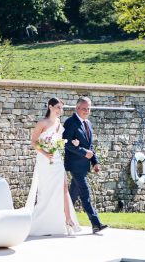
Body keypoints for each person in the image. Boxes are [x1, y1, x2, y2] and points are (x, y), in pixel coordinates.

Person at [25, 98, 80, 236]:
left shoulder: (57, 122)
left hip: (57, 158)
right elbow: (34, 142)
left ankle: (68, 219)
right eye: (58, 107)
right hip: (45, 160)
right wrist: (45, 152)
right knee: (46, 191)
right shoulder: (42, 123)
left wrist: (70, 143)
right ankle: (41, 222)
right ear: (50, 107)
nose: (60, 110)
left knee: (64, 187)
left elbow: (57, 140)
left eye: (61, 108)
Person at [63, 96, 108, 233]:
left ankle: (61, 217)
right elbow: (66, 143)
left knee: (72, 196)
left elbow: (91, 146)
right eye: (84, 108)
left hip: (84, 166)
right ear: (77, 108)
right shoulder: (70, 122)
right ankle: (96, 223)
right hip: (75, 165)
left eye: (88, 108)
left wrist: (95, 162)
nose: (87, 111)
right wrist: (83, 152)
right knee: (85, 192)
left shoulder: (88, 123)